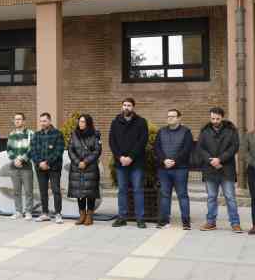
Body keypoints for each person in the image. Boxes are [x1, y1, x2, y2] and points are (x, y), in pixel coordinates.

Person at [198, 107, 242, 233]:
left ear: (222, 117)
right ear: (210, 117)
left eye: (217, 118)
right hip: (210, 168)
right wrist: (211, 160)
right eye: (212, 118)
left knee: (230, 197)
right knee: (211, 197)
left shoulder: (231, 130)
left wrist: (220, 160)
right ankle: (211, 222)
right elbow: (200, 148)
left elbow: (234, 147)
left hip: (226, 169)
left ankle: (235, 223)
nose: (215, 121)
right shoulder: (204, 131)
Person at [109, 98, 149, 228]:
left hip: (136, 163)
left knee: (138, 189)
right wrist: (120, 157)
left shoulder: (141, 122)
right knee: (122, 190)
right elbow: (112, 142)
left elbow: (142, 142)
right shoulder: (115, 122)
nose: (126, 107)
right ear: (122, 107)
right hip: (121, 163)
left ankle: (140, 218)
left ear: (133, 107)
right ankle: (122, 217)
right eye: (124, 105)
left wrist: (130, 157)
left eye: (129, 105)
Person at [154, 109, 194, 230]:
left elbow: (187, 149)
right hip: (164, 169)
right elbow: (157, 148)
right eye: (168, 116)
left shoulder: (186, 132)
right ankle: (163, 221)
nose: (170, 118)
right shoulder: (161, 131)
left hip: (180, 169)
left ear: (179, 118)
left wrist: (174, 161)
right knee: (165, 195)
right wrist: (164, 160)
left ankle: (186, 222)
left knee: (182, 195)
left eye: (173, 116)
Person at [30, 113, 65, 223]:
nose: (42, 123)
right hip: (40, 168)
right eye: (41, 121)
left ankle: (58, 213)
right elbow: (33, 150)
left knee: (56, 190)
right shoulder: (36, 135)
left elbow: (58, 151)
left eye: (44, 121)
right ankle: (45, 213)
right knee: (43, 191)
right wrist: (40, 162)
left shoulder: (57, 134)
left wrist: (47, 162)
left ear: (50, 121)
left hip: (54, 167)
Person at [68, 114, 101, 226]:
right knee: (79, 192)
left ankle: (89, 216)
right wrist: (78, 162)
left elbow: (97, 151)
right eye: (80, 121)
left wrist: (85, 162)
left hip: (90, 167)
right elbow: (70, 150)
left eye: (83, 122)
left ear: (88, 123)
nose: (80, 124)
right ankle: (81, 215)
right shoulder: (74, 134)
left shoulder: (95, 135)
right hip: (77, 167)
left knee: (90, 192)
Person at [5, 113, 36, 220]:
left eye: (19, 119)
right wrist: (15, 159)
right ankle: (18, 211)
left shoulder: (30, 133)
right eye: (15, 119)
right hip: (14, 167)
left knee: (28, 190)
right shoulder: (11, 134)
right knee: (16, 191)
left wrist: (22, 159)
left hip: (26, 166)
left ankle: (28, 212)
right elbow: (8, 150)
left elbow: (32, 149)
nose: (17, 121)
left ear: (24, 121)